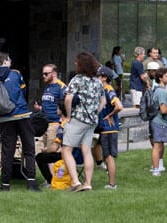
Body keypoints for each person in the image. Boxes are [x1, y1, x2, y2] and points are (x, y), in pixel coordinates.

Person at [0, 52, 40, 191]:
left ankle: (5, 184)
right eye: (9, 59)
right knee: (29, 149)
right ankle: (31, 181)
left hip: (5, 118)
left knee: (7, 152)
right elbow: (23, 91)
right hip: (21, 114)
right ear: (6, 60)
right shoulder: (16, 74)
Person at [61, 52, 105, 191]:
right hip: (92, 121)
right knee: (87, 151)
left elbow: (68, 99)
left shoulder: (77, 79)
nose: (75, 64)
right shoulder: (98, 81)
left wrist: (68, 116)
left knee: (66, 149)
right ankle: (88, 183)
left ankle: (75, 182)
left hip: (78, 119)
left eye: (77, 62)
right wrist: (94, 112)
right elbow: (103, 102)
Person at [96, 73, 123, 189]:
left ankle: (112, 184)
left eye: (98, 76)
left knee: (108, 156)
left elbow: (119, 106)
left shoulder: (109, 90)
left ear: (104, 78)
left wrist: (110, 115)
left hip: (108, 129)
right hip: (103, 128)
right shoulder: (102, 90)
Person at [148, 67, 167, 175]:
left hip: (159, 122)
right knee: (157, 146)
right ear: (160, 78)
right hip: (159, 122)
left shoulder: (159, 89)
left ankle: (159, 167)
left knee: (160, 145)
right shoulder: (161, 91)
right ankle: (155, 170)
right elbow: (163, 110)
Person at [38, 64, 65, 155]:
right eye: (42, 74)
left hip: (54, 124)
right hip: (44, 123)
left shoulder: (61, 87)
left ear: (53, 73)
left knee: (51, 151)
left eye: (46, 74)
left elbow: (64, 105)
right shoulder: (47, 86)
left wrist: (62, 123)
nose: (43, 76)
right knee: (38, 151)